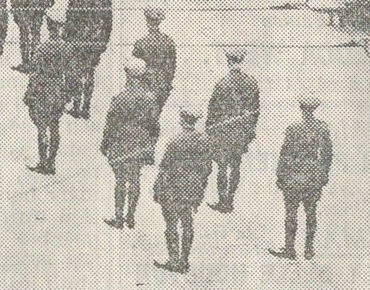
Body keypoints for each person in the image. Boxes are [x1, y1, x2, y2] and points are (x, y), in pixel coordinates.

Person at [272, 97, 333, 260]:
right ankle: (309, 249)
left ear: (301, 109)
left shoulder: (293, 128)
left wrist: (280, 175)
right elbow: (327, 154)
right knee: (311, 212)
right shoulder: (322, 127)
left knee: (291, 212)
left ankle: (290, 248)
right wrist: (324, 174)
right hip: (313, 175)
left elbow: (285, 154)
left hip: (293, 174)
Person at [153, 109, 214, 273]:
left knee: (171, 224)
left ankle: (174, 260)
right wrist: (200, 185)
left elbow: (165, 167)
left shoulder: (175, 141)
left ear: (182, 121)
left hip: (174, 188)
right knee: (187, 223)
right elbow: (207, 167)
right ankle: (185, 260)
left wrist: (157, 188)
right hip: (193, 188)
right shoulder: (204, 141)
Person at [101, 62, 161, 228]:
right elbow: (155, 127)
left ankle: (119, 218)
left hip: (121, 142)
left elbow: (110, 124)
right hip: (140, 143)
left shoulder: (120, 98)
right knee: (135, 178)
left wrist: (105, 145)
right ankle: (131, 217)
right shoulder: (150, 99)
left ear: (128, 77)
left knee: (120, 180)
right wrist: (151, 146)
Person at [206, 48, 260, 213]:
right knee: (236, 165)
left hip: (224, 132)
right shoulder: (251, 82)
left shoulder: (222, 84)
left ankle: (222, 200)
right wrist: (250, 130)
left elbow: (213, 110)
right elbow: (256, 110)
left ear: (229, 62)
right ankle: (231, 198)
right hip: (241, 132)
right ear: (241, 62)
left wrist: (209, 129)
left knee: (222, 166)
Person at [62, 0, 113, 119]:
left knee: (76, 73)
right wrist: (104, 42)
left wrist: (67, 39)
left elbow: (70, 20)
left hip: (78, 42)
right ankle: (86, 107)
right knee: (90, 73)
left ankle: (76, 106)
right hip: (95, 42)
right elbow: (108, 23)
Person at [25, 14, 74, 174]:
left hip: (43, 89)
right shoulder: (67, 48)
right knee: (54, 126)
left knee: (41, 127)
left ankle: (42, 161)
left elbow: (35, 71)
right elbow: (72, 74)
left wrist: (29, 92)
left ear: (48, 26)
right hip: (58, 89)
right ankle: (52, 162)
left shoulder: (42, 48)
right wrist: (68, 94)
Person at [131, 8, 177, 112]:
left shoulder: (140, 43)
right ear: (159, 22)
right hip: (162, 83)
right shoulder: (169, 42)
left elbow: (134, 68)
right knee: (156, 112)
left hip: (145, 83)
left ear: (147, 23)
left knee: (146, 114)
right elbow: (172, 68)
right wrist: (167, 83)